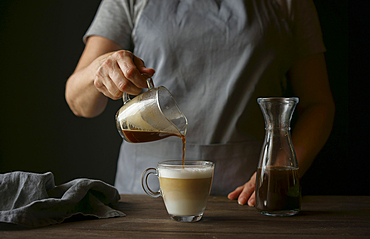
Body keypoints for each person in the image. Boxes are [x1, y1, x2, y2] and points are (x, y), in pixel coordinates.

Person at [65, 0, 335, 207]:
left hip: (248, 196)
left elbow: (318, 104)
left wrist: (280, 170)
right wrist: (99, 69)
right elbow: (80, 103)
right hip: (145, 196)